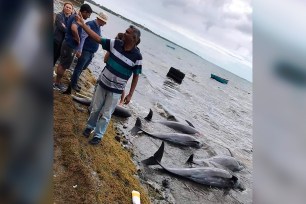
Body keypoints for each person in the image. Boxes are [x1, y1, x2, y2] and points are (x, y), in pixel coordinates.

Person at [75, 13, 142, 145]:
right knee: (95, 108)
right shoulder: (115, 44)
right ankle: (90, 127)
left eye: (127, 32)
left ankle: (98, 135)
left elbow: (136, 76)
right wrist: (83, 25)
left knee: (106, 114)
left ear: (133, 38)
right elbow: (98, 39)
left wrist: (130, 94)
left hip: (116, 91)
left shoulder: (137, 57)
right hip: (103, 83)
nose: (124, 33)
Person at [53, 4, 92, 91]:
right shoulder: (76, 17)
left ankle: (57, 82)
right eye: (88, 14)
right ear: (84, 12)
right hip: (69, 45)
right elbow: (74, 28)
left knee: (62, 63)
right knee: (63, 65)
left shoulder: (74, 16)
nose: (89, 17)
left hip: (67, 43)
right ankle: (57, 83)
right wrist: (78, 39)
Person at [70, 12, 108, 92]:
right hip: (85, 50)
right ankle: (73, 84)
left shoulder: (98, 27)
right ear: (100, 20)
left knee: (83, 68)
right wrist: (79, 50)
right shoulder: (90, 24)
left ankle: (74, 82)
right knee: (79, 68)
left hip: (91, 52)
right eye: (104, 22)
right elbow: (82, 38)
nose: (105, 24)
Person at [53, 2, 73, 66]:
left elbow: (70, 29)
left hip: (63, 42)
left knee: (57, 57)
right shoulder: (59, 15)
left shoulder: (70, 19)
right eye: (67, 7)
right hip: (56, 39)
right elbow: (61, 28)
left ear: (71, 10)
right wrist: (67, 29)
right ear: (63, 7)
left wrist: (66, 27)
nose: (68, 9)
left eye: (70, 8)